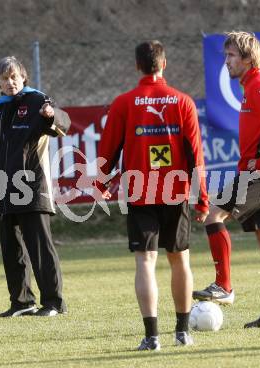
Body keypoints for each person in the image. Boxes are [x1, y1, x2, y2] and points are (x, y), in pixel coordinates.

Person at [95, 41, 209, 350]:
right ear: (164, 63)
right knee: (179, 259)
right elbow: (195, 154)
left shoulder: (123, 103)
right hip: (176, 191)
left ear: (137, 66)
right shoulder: (183, 102)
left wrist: (100, 184)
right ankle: (183, 333)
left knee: (145, 261)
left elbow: (107, 150)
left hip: (139, 189)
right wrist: (201, 198)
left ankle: (151, 337)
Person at [193, 31, 260, 328]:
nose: (226, 62)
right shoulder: (250, 87)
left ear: (248, 59)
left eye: (232, 56)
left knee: (214, 216)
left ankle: (224, 285)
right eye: (225, 55)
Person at [0, 56, 71, 317]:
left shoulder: (37, 100)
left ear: (23, 77)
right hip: (3, 187)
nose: (10, 83)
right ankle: (22, 302)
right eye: (4, 79)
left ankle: (54, 302)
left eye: (14, 77)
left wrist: (52, 115)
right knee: (11, 248)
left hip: (31, 184)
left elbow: (63, 122)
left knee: (40, 246)